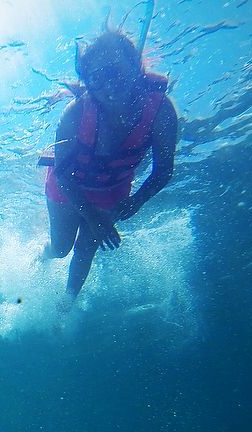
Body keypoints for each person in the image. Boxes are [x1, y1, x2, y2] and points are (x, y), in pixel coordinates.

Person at [41, 30, 178, 308]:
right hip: (68, 186)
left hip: (112, 189)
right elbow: (63, 174)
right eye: (97, 77)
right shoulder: (75, 112)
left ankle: (65, 307)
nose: (108, 84)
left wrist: (136, 201)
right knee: (61, 248)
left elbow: (163, 170)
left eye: (115, 71)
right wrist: (91, 215)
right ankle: (41, 257)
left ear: (135, 68)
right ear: (88, 82)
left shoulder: (161, 111)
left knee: (87, 248)